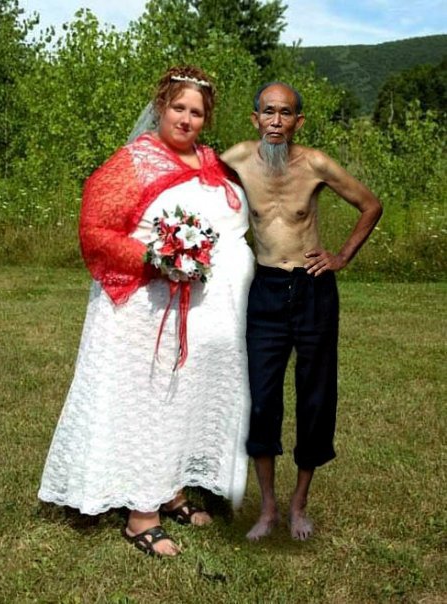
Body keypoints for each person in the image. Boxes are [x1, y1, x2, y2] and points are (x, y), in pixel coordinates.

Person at [38, 65, 255, 557]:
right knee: (150, 404)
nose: (186, 118)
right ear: (161, 107)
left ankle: (170, 489)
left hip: (196, 314)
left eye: (196, 112)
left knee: (181, 401)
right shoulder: (133, 162)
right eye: (178, 107)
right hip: (142, 311)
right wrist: (158, 258)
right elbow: (95, 230)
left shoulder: (211, 163)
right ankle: (141, 516)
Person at [221, 81, 382, 541]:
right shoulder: (236, 159)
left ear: (298, 121)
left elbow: (370, 205)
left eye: (285, 113)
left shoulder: (315, 164)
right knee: (261, 397)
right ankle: (268, 507)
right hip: (265, 289)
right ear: (255, 118)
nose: (276, 121)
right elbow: (193, 184)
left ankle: (298, 505)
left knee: (315, 396)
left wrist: (341, 256)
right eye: (268, 112)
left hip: (312, 288)